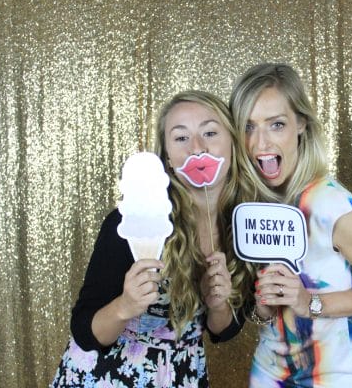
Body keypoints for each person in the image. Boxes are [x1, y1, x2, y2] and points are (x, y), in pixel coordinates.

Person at [52, 90, 258, 387]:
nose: (197, 148)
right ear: (168, 158)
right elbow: (85, 332)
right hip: (109, 375)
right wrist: (125, 306)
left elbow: (223, 331)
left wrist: (219, 305)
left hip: (181, 374)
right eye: (181, 137)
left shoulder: (245, 225)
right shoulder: (134, 222)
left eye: (210, 133)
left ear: (233, 144)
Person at [229, 63, 352, 387]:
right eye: (248, 126)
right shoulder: (251, 206)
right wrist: (263, 307)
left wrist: (310, 303)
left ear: (301, 124)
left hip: (334, 375)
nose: (260, 143)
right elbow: (265, 314)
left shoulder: (332, 205)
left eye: (276, 125)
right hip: (269, 375)